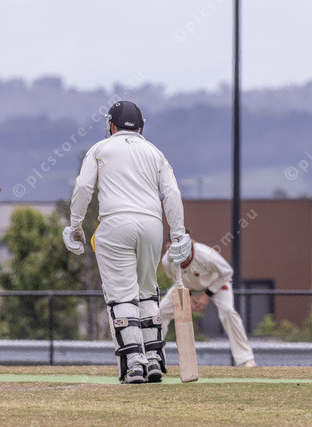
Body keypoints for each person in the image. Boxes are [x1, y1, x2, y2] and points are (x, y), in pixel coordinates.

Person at [62, 100, 192, 384]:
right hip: (152, 225)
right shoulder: (155, 152)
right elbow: (172, 193)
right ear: (141, 128)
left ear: (111, 125)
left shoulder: (100, 148)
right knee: (147, 291)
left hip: (115, 223)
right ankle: (154, 359)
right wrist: (178, 233)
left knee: (122, 294)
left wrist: (75, 225)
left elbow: (83, 187)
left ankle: (135, 363)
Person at [160, 238, 256, 367]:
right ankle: (154, 355)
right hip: (187, 287)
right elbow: (176, 279)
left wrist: (207, 294)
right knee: (161, 311)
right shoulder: (167, 260)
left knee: (228, 311)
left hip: (216, 284)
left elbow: (227, 272)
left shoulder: (206, 255)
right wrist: (189, 295)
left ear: (190, 247)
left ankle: (246, 360)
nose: (179, 258)